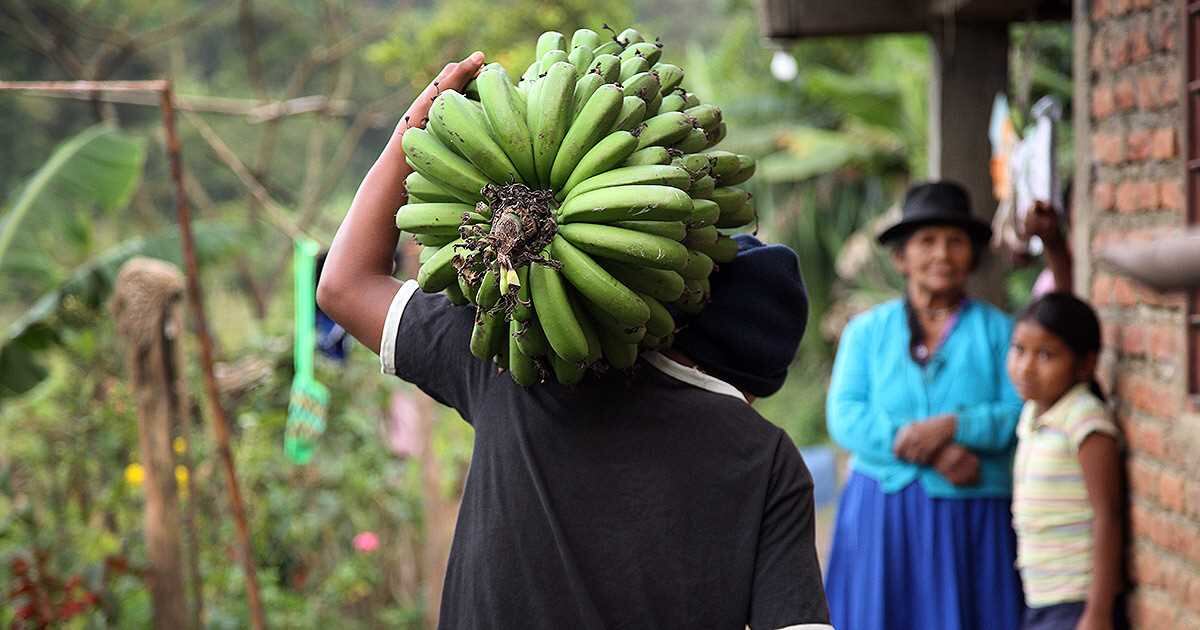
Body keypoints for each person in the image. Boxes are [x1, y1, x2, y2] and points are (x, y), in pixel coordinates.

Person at [316, 52, 832, 629]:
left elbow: (343, 286)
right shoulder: (767, 461)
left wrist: (416, 126)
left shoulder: (522, 367)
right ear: (758, 382)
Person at [823, 181, 1025, 630]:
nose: (942, 254)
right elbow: (846, 415)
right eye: (927, 242)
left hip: (973, 516)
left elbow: (1017, 414)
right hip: (884, 517)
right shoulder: (867, 332)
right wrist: (926, 446)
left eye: (955, 242)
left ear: (971, 255)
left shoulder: (1001, 333)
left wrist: (956, 425)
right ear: (901, 257)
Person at [1008, 293, 1125, 630]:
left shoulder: (1085, 420)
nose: (1026, 367)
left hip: (1076, 600)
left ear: (1086, 364)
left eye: (1046, 355)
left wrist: (1098, 613)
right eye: (1018, 350)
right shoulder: (1032, 413)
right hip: (1040, 597)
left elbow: (1108, 516)